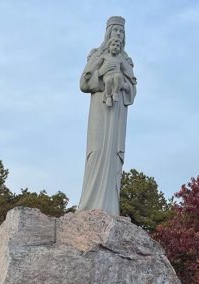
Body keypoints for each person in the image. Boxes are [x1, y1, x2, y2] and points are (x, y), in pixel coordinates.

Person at [78, 16, 137, 216]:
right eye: (116, 31)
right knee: (97, 151)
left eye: (122, 32)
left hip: (118, 109)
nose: (118, 35)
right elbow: (84, 84)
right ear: (108, 34)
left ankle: (110, 209)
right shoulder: (97, 55)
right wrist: (102, 73)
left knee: (113, 155)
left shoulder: (126, 61)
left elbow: (132, 88)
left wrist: (124, 85)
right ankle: (88, 206)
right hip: (100, 107)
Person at [86, 37, 137, 106]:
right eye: (113, 45)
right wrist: (91, 72)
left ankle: (115, 93)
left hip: (116, 74)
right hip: (107, 75)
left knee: (118, 76)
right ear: (109, 47)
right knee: (108, 81)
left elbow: (125, 70)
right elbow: (97, 65)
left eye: (117, 46)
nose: (115, 47)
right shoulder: (104, 57)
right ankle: (108, 97)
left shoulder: (120, 59)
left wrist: (131, 77)